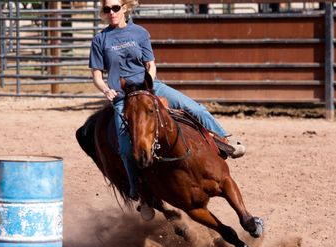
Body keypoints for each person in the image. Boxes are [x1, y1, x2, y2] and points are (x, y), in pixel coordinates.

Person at [88, 0, 245, 215]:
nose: (112, 12)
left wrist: (149, 83)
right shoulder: (100, 39)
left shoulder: (140, 33)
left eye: (116, 7)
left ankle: (224, 141)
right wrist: (106, 90)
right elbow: (97, 75)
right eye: (107, 9)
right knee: (126, 148)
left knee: (197, 110)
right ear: (103, 12)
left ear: (124, 8)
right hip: (123, 96)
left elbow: (150, 64)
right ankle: (139, 192)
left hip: (150, 87)